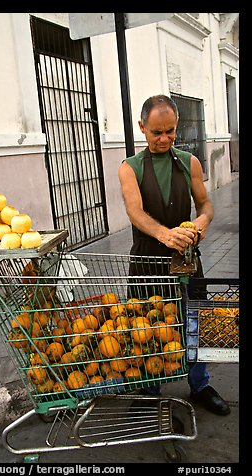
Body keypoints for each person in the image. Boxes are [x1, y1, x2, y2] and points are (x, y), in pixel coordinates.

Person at [118, 94, 230, 416]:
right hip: (147, 260)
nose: (165, 138)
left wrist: (202, 221)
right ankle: (150, 390)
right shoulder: (130, 168)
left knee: (194, 321)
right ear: (142, 128)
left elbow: (205, 203)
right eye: (157, 132)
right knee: (146, 328)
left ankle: (200, 384)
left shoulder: (190, 162)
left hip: (187, 261)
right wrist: (165, 234)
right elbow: (134, 212)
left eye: (170, 131)